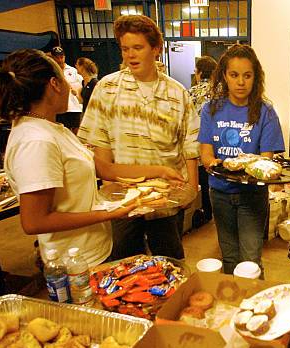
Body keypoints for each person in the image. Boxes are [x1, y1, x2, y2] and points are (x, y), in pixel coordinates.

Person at [0, 49, 178, 266]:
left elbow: (106, 169)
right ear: (55, 84)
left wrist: (160, 171)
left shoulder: (54, 129)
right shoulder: (36, 141)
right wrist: (109, 213)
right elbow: (34, 221)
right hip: (74, 262)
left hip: (94, 250)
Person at [78, 15, 200, 260]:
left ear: (156, 49)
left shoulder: (177, 93)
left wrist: (190, 191)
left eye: (137, 48)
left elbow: (189, 145)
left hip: (165, 199)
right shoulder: (107, 88)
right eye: (125, 49)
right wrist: (109, 189)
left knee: (170, 263)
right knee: (124, 264)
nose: (130, 55)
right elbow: (99, 144)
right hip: (122, 200)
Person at [198, 44, 284, 275]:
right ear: (224, 75)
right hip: (219, 193)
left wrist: (245, 167)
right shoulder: (211, 109)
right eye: (234, 75)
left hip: (252, 196)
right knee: (229, 257)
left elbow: (265, 159)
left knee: (250, 260)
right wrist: (210, 162)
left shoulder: (265, 111)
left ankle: (254, 307)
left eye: (247, 75)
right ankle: (233, 306)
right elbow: (205, 150)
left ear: (255, 77)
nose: (240, 82)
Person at [189, 55, 218, 225]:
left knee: (200, 180)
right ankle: (215, 210)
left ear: (199, 73)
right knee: (214, 177)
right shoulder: (221, 92)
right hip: (216, 142)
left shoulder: (190, 92)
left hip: (195, 143)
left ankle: (204, 212)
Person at [49, 46, 82, 131]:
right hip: (59, 108)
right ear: (53, 58)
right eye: (57, 57)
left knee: (76, 132)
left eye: (61, 57)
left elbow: (80, 86)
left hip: (74, 107)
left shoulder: (72, 70)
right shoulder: (50, 72)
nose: (60, 59)